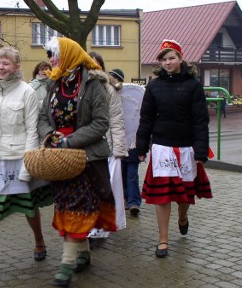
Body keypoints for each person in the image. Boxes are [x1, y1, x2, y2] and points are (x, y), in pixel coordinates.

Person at [0, 46, 52, 283]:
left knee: (28, 207)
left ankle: (39, 241)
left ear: (16, 66)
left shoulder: (27, 92)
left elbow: (31, 132)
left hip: (18, 160)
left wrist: (27, 167)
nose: (1, 67)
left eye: (6, 63)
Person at [38, 37, 115, 287]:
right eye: (50, 55)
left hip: (85, 158)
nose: (51, 60)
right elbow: (42, 118)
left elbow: (101, 123)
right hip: (60, 159)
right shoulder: (54, 82)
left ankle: (65, 264)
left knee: (78, 209)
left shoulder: (93, 84)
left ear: (69, 54)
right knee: (66, 208)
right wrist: (51, 135)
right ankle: (83, 254)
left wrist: (70, 141)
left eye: (55, 54)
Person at [135, 39, 213, 258]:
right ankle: (163, 240)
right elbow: (146, 118)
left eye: (172, 58)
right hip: (162, 147)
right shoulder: (154, 85)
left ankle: (182, 217)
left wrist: (201, 150)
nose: (168, 62)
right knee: (162, 196)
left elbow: (200, 120)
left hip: (186, 147)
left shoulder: (193, 85)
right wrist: (141, 146)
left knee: (183, 196)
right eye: (164, 59)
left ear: (180, 59)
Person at [86, 53, 127, 240]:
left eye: (97, 64)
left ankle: (101, 226)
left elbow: (117, 120)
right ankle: (87, 226)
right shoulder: (80, 85)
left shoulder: (110, 89)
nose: (93, 67)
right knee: (87, 189)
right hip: (85, 146)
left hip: (107, 147)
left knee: (105, 189)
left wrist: (118, 150)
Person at [116, 70, 146, 217]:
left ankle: (134, 202)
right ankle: (126, 198)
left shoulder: (134, 93)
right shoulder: (111, 96)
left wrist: (143, 146)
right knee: (121, 172)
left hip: (134, 142)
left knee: (132, 173)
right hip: (119, 142)